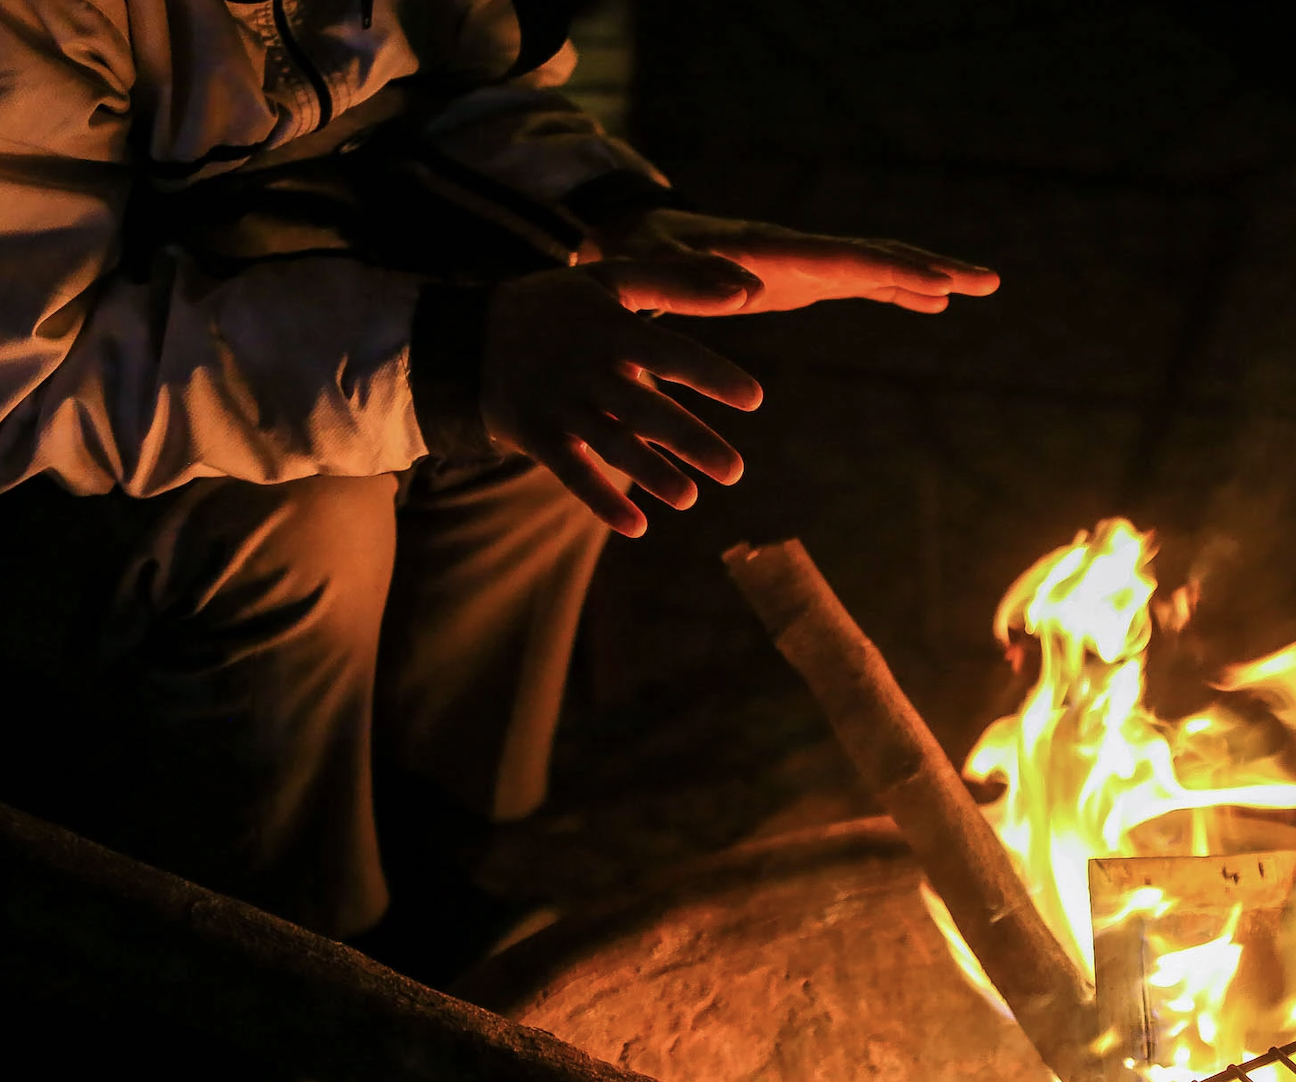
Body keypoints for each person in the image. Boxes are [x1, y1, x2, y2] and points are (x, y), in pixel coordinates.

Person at [0, 0, 998, 950]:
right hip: (38, 451)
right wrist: (448, 361)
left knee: (547, 447)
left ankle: (457, 875)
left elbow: (448, 84)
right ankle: (299, 949)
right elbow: (31, 378)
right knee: (309, 523)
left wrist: (607, 209)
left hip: (240, 293)